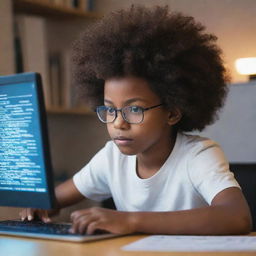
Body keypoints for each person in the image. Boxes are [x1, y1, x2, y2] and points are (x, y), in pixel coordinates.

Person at [20, 5, 252, 235]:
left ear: (172, 112)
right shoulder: (111, 158)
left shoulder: (198, 156)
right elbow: (53, 200)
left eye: (134, 109)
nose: (118, 123)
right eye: (110, 110)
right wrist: (40, 206)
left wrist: (131, 220)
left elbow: (237, 216)